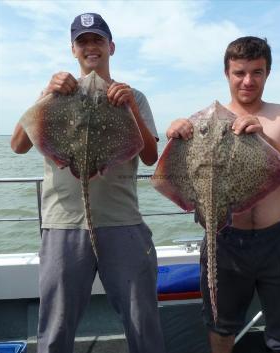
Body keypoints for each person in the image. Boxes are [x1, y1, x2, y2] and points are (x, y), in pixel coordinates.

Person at [11, 13, 166, 353]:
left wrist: (130, 109)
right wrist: (45, 95)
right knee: (56, 324)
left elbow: (151, 158)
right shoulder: (54, 94)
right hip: (63, 223)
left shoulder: (133, 96)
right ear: (73, 50)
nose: (91, 47)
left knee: (143, 321)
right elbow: (18, 146)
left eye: (97, 40)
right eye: (83, 42)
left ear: (111, 46)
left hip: (122, 221)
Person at [166, 36, 280, 353]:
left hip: (278, 242)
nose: (248, 81)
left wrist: (266, 140)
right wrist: (176, 136)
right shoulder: (202, 121)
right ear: (227, 74)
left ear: (267, 73)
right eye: (239, 72)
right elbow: (170, 173)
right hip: (225, 239)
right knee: (221, 327)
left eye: (257, 72)